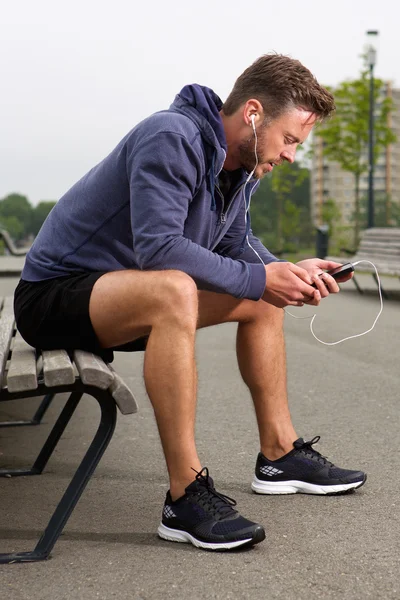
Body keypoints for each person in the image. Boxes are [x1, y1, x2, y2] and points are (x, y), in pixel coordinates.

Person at [14, 53, 366, 552]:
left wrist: (292, 270)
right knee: (178, 287)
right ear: (252, 113)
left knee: (262, 299)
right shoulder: (172, 136)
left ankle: (279, 453)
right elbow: (158, 248)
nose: (291, 155)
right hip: (55, 296)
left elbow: (239, 246)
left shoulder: (240, 168)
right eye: (289, 139)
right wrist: (260, 277)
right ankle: (185, 495)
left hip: (123, 294)